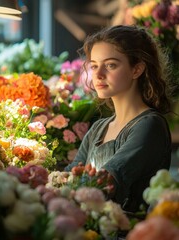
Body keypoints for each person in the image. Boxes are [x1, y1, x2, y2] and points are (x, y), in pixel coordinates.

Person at [65, 25, 172, 213]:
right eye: (94, 66)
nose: (98, 75)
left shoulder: (149, 125)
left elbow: (105, 183)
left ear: (136, 69)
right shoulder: (99, 127)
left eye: (111, 65)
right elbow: (68, 176)